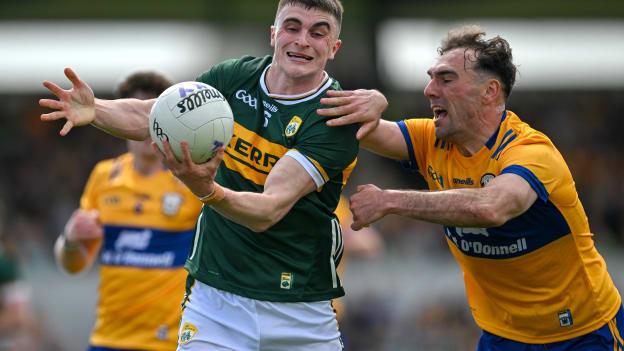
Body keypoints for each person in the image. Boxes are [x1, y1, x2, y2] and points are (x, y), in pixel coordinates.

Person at [41, 1, 359, 350]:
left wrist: (207, 191)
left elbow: (268, 210)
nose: (302, 40)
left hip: (301, 309)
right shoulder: (234, 77)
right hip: (216, 301)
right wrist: (95, 109)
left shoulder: (336, 116)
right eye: (293, 27)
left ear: (334, 48)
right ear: (274, 34)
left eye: (318, 32)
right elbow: (155, 115)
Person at [319, 25, 624, 350]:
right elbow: (357, 127)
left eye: (446, 79)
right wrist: (370, 99)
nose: (429, 90)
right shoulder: (430, 140)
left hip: (582, 333)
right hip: (502, 336)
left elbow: (491, 207)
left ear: (490, 91)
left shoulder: (531, 152)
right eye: (431, 77)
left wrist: (390, 200)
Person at [53, 71, 203, 351]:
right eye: (137, 116)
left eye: (154, 117)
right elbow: (73, 266)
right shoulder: (103, 177)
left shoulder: (189, 180)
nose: (146, 126)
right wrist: (71, 241)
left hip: (171, 342)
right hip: (108, 338)